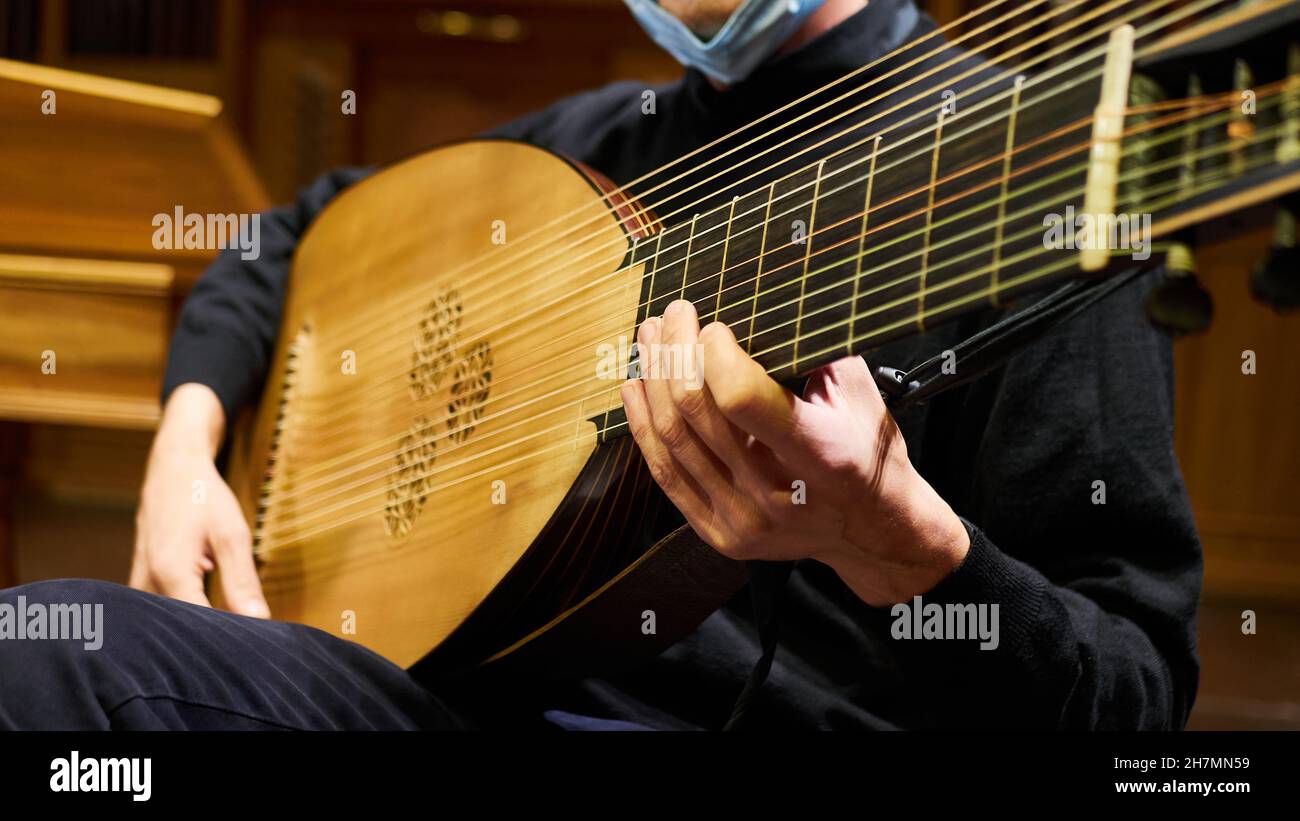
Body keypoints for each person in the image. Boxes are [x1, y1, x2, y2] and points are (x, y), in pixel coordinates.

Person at [0, 0, 1201, 730]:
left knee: (53, 655)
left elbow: (1133, 697)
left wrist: (906, 551)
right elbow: (288, 235)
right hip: (462, 692)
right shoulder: (603, 139)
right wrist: (186, 438)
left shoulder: (1015, 169)